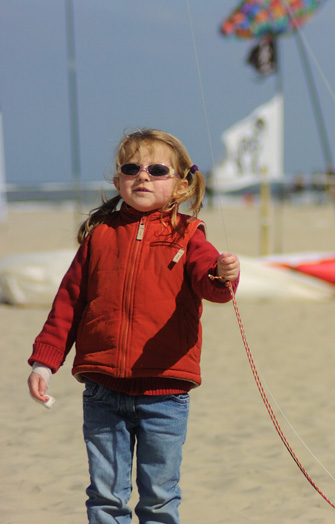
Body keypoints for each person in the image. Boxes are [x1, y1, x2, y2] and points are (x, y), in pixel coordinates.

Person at [26, 129, 241, 523]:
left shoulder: (189, 236)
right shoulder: (100, 236)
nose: (142, 176)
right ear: (117, 181)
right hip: (103, 390)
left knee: (159, 497)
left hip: (165, 392)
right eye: (131, 168)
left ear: (179, 184)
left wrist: (222, 274)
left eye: (157, 169)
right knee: (106, 496)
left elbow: (211, 286)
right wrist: (45, 362)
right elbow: (68, 303)